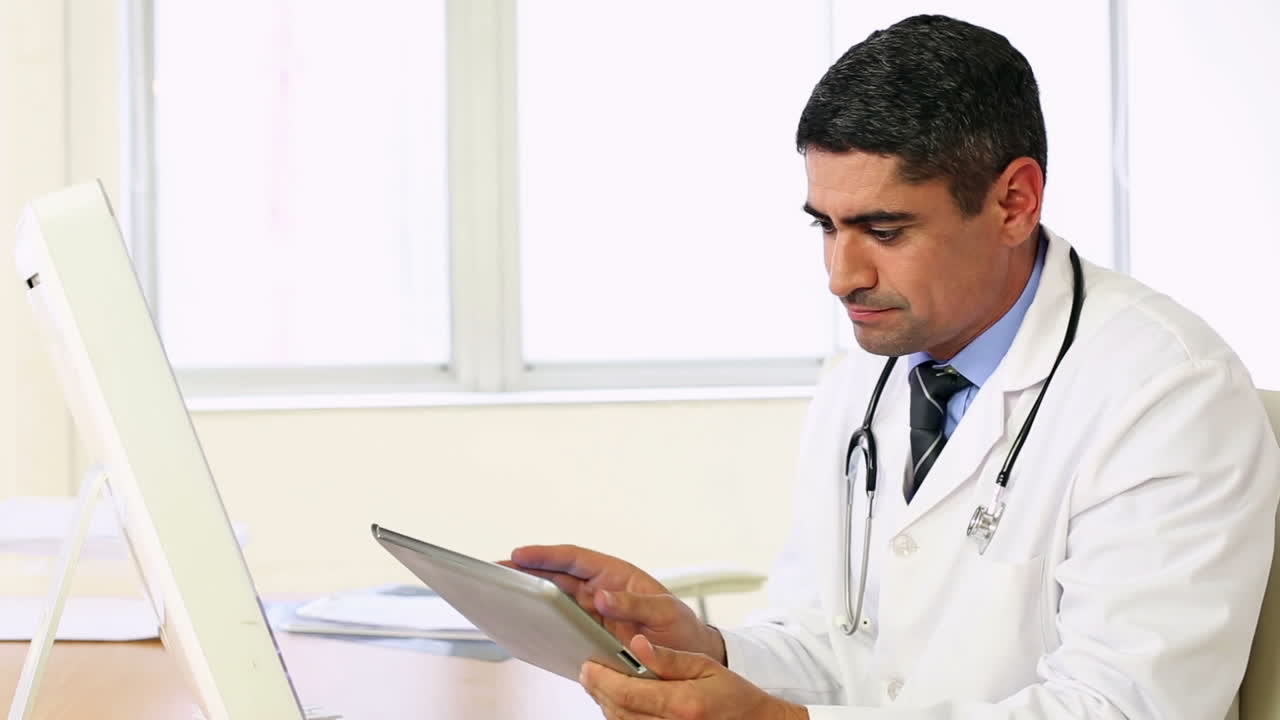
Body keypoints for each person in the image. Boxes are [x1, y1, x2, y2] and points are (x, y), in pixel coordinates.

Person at [508, 14, 1280, 719]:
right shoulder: (867, 372)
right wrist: (707, 651)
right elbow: (835, 646)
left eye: (883, 228)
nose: (842, 276)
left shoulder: (1168, 394)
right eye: (826, 227)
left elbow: (1126, 710)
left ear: (1015, 202)